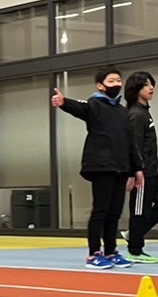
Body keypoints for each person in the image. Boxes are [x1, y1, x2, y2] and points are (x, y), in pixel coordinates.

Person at [52, 70, 142, 270]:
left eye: (118, 80)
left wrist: (137, 169)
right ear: (100, 86)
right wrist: (64, 102)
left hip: (121, 167)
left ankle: (111, 251)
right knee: (101, 210)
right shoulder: (94, 104)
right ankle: (94, 254)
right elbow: (80, 107)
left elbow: (131, 142)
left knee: (115, 212)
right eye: (111, 81)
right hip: (101, 166)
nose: (116, 83)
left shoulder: (123, 112)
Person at [122, 72, 158, 264]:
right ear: (136, 89)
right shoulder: (136, 114)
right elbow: (133, 145)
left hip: (152, 172)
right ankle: (135, 251)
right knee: (139, 211)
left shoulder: (144, 112)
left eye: (152, 84)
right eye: (146, 85)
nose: (151, 88)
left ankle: (134, 233)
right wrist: (134, 172)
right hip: (141, 173)